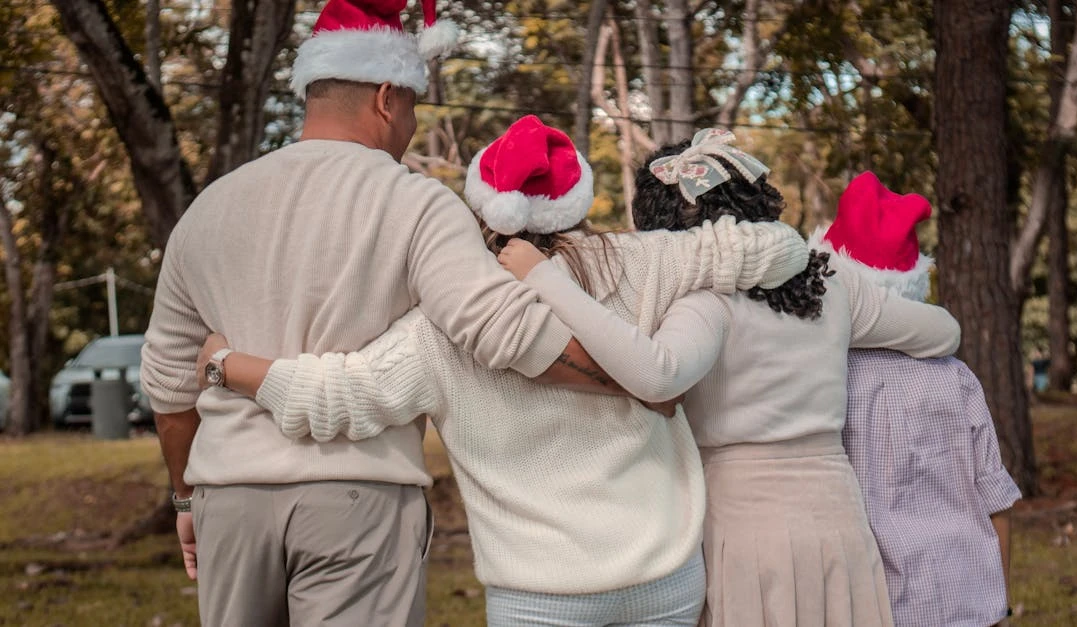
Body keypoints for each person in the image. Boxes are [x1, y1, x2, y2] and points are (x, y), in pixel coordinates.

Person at [193, 116, 812, 626]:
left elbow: (336, 398)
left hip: (538, 594)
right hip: (666, 575)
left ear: (483, 209)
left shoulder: (447, 323)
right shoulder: (651, 263)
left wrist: (226, 364)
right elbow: (783, 248)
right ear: (576, 199)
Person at [138, 1, 636, 623]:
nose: (411, 123)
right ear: (385, 97)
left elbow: (168, 381)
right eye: (412, 105)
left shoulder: (208, 209)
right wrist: (633, 376)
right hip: (357, 501)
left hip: (227, 500)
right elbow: (504, 331)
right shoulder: (416, 203)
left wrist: (186, 501)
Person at [496, 130, 965, 626]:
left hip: (744, 524)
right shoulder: (833, 284)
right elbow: (943, 332)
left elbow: (656, 374)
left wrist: (546, 278)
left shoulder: (707, 303)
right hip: (838, 517)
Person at [811, 172, 1022, 627]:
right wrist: (999, 605)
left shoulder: (824, 377)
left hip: (876, 604)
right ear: (914, 284)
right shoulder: (957, 378)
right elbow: (997, 500)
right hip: (969, 597)